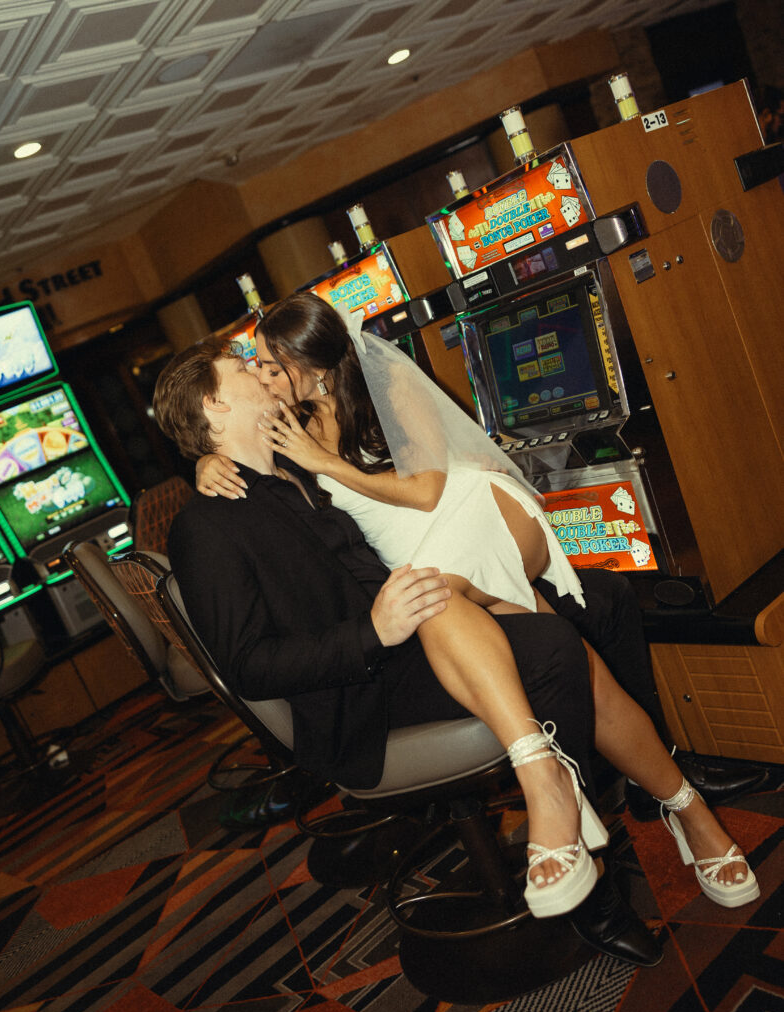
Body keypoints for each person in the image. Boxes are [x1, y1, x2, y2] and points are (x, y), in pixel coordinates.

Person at [193, 294, 760, 916]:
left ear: (313, 362)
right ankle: (686, 809)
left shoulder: (381, 393)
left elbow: (430, 491)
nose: (264, 375)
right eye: (256, 368)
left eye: (272, 365)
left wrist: (325, 462)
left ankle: (549, 780)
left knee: (434, 591)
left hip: (471, 516)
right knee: (563, 656)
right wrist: (205, 459)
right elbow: (232, 449)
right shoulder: (284, 426)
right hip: (427, 563)